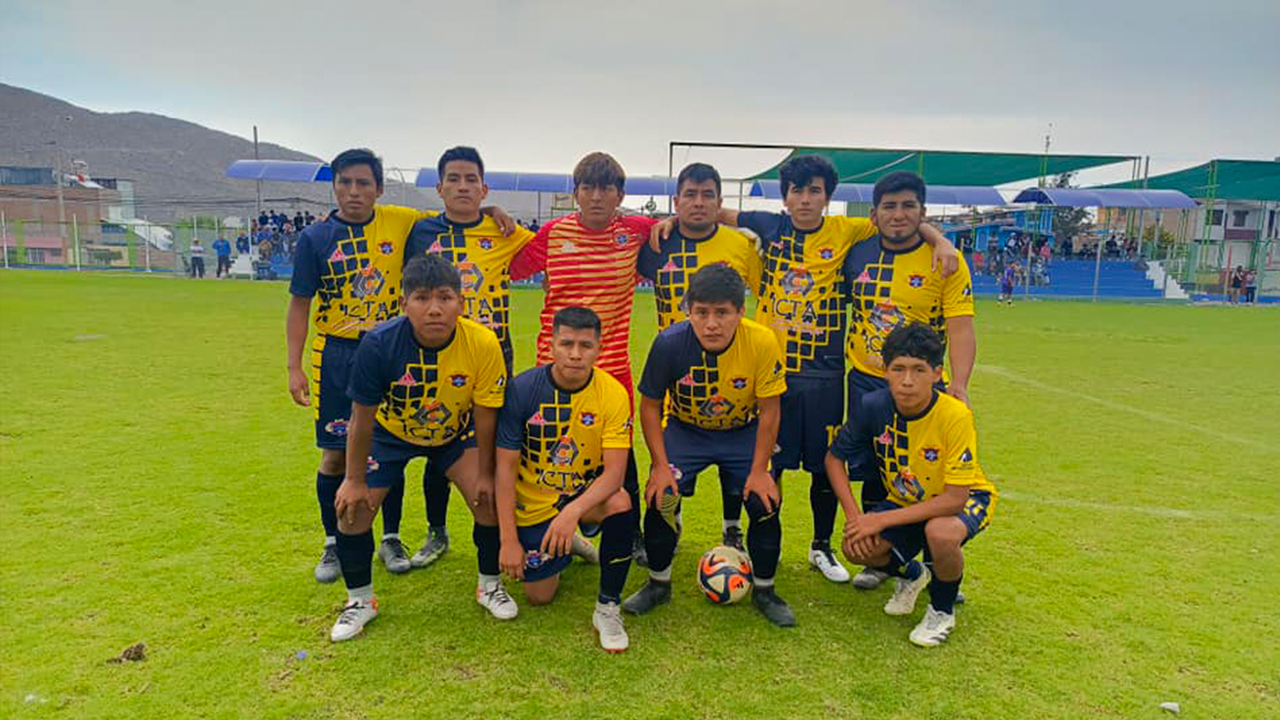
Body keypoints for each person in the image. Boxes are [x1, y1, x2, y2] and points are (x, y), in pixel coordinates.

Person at [653, 154, 959, 584]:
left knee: (823, 465)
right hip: (770, 373)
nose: (805, 199)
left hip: (825, 374)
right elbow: (714, 211)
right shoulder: (769, 226)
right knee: (766, 462)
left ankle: (821, 546)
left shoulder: (848, 230)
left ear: (827, 197)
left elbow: (898, 220)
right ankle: (760, 541)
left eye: (815, 191)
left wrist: (939, 239)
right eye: (797, 191)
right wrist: (669, 219)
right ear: (785, 197)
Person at [329, 254, 516, 641]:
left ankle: (489, 585)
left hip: (453, 433)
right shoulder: (378, 344)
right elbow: (361, 418)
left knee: (489, 500)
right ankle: (360, 601)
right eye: (422, 298)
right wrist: (354, 478)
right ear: (404, 303)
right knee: (353, 511)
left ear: (460, 303)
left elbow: (485, 416)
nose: (434, 309)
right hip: (390, 434)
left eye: (445, 298)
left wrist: (486, 474)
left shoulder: (483, 342)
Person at [286, 148, 431, 583]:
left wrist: (494, 210)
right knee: (335, 455)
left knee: (390, 448)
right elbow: (299, 304)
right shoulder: (315, 238)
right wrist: (294, 367)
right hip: (336, 354)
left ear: (379, 189)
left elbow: (452, 216)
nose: (353, 191)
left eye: (363, 183)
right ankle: (333, 542)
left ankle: (391, 537)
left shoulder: (400, 221)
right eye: (345, 182)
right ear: (334, 187)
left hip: (389, 351)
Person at [622, 265, 794, 626]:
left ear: (740, 311)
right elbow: (650, 407)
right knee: (661, 497)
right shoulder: (669, 343)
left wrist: (760, 471)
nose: (711, 324)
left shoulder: (762, 341)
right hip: (686, 430)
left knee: (764, 500)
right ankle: (658, 583)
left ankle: (765, 590)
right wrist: (659, 466)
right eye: (701, 312)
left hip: (742, 431)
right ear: (689, 311)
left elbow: (770, 411)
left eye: (722, 313)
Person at [510, 152, 659, 566]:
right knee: (547, 451)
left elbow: (680, 227)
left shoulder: (635, 231)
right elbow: (509, 265)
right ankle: (550, 526)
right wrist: (496, 217)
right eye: (588, 187)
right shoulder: (553, 234)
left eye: (605, 188)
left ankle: (630, 533)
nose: (596, 196)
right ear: (576, 193)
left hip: (611, 369)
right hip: (552, 369)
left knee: (621, 454)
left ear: (620, 195)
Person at [404, 146, 540, 569]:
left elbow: (549, 248)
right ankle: (436, 531)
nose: (462, 186)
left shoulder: (504, 231)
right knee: (438, 441)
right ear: (439, 187)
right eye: (454, 179)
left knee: (504, 443)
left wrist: (495, 212)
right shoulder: (420, 231)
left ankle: (517, 527)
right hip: (439, 355)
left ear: (484, 188)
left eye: (471, 180)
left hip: (493, 355)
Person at [842, 171, 976, 590]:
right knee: (874, 470)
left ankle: (937, 564)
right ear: (875, 213)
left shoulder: (945, 260)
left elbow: (960, 327)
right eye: (889, 206)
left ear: (922, 212)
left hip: (923, 385)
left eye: (908, 206)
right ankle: (886, 561)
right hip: (865, 380)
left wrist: (960, 385)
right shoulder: (857, 252)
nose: (898, 214)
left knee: (926, 471)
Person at [825, 323, 997, 647]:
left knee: (940, 533)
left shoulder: (955, 415)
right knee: (855, 547)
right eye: (898, 369)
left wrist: (879, 519)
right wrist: (856, 518)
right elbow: (834, 460)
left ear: (937, 374)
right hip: (908, 500)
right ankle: (914, 574)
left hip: (966, 497)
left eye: (918, 370)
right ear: (885, 371)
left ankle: (941, 611)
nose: (907, 380)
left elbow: (954, 499)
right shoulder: (873, 406)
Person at [636, 162, 763, 550]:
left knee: (733, 448)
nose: (699, 202)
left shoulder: (740, 246)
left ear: (720, 202)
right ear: (676, 201)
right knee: (672, 459)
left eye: (708, 195)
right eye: (690, 195)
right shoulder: (656, 245)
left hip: (733, 364)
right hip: (676, 372)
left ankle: (732, 527)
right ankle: (670, 524)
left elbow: (767, 295)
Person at [495, 306, 635, 652]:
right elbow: (504, 471)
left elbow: (615, 474)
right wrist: (508, 540)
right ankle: (567, 542)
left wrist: (572, 512)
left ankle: (607, 607)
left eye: (585, 345)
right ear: (551, 345)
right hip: (534, 502)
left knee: (620, 502)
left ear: (599, 348)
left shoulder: (613, 393)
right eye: (566, 344)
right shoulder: (523, 389)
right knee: (539, 596)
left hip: (581, 497)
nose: (575, 354)